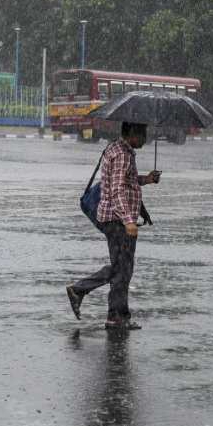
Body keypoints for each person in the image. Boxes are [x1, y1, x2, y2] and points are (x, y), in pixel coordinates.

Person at [67, 122, 161, 330]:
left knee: (123, 268)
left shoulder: (118, 149)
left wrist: (146, 179)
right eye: (143, 134)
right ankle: (83, 292)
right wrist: (128, 220)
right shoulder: (122, 155)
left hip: (114, 217)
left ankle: (117, 315)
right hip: (117, 220)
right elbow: (118, 189)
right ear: (132, 133)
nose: (146, 139)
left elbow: (125, 181)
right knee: (122, 268)